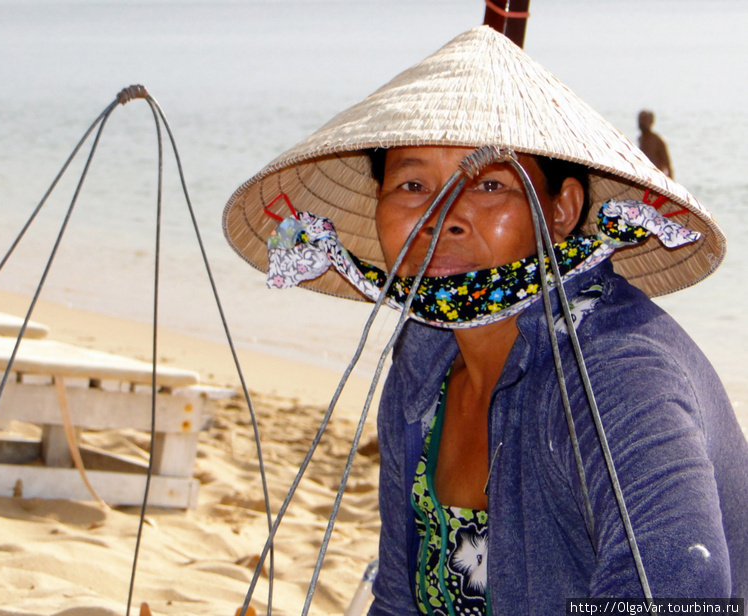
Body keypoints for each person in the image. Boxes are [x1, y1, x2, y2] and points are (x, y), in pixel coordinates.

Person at [223, 26, 748, 613]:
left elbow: (679, 598)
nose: (443, 215)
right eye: (413, 184)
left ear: (562, 211)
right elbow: (400, 596)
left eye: (491, 184)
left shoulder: (616, 373)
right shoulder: (424, 356)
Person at [638, 109, 674, 178]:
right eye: (640, 119)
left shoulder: (658, 140)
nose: (641, 122)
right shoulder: (640, 139)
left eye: (644, 119)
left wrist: (670, 182)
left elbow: (668, 165)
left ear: (651, 121)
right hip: (644, 177)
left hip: (657, 178)